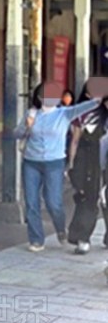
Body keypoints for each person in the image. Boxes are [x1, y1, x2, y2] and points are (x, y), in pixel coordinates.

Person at [16, 82, 106, 252]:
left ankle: (60, 229)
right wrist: (26, 126)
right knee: (32, 202)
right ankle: (36, 239)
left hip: (54, 163)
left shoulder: (64, 113)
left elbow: (86, 106)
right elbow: (17, 134)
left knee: (54, 202)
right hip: (31, 162)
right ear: (39, 97)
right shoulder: (31, 114)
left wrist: (98, 97)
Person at [66, 84, 108, 254]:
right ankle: (83, 237)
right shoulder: (83, 115)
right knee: (88, 198)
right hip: (89, 161)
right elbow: (75, 141)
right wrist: (71, 163)